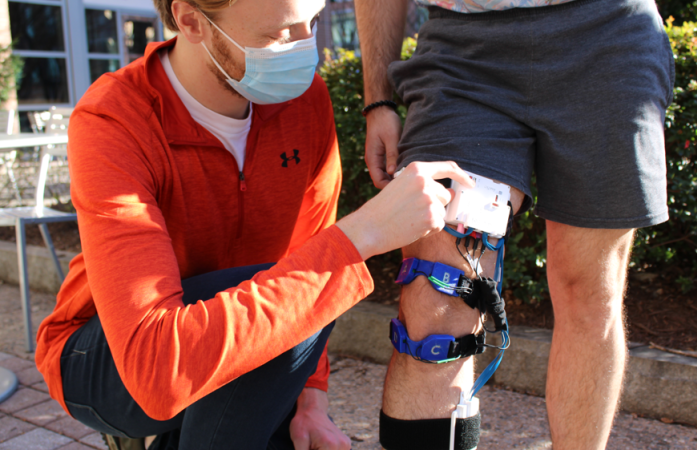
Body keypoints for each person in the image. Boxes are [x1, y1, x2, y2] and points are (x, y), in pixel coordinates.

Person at [34, 0, 474, 449]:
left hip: (235, 338)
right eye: (280, 34)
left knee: (295, 305)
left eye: (315, 22)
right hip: (109, 356)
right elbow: (154, 366)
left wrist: (310, 403)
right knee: (302, 281)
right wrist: (365, 233)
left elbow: (303, 276)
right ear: (190, 21)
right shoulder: (113, 120)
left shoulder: (305, 101)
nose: (309, 51)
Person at [354, 0, 674, 448]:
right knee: (436, 301)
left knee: (588, 292)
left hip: (606, 38)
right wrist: (379, 98)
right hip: (464, 57)